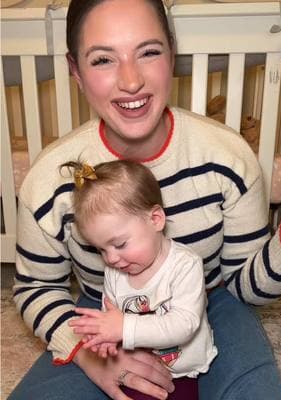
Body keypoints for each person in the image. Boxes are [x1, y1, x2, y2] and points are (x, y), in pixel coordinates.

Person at [9, 0, 281, 399]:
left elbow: (244, 289)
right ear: (75, 71)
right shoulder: (49, 179)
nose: (131, 81)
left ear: (172, 55)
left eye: (148, 52)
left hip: (213, 301)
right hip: (106, 307)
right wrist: (88, 355)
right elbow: (36, 287)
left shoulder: (227, 156)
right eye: (103, 59)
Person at [62, 159, 217, 400]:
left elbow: (184, 324)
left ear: (155, 219)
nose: (111, 258)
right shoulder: (115, 270)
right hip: (133, 363)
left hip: (181, 370)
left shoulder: (185, 265)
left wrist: (123, 327)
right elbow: (110, 315)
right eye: (101, 249)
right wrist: (104, 340)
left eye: (120, 244)